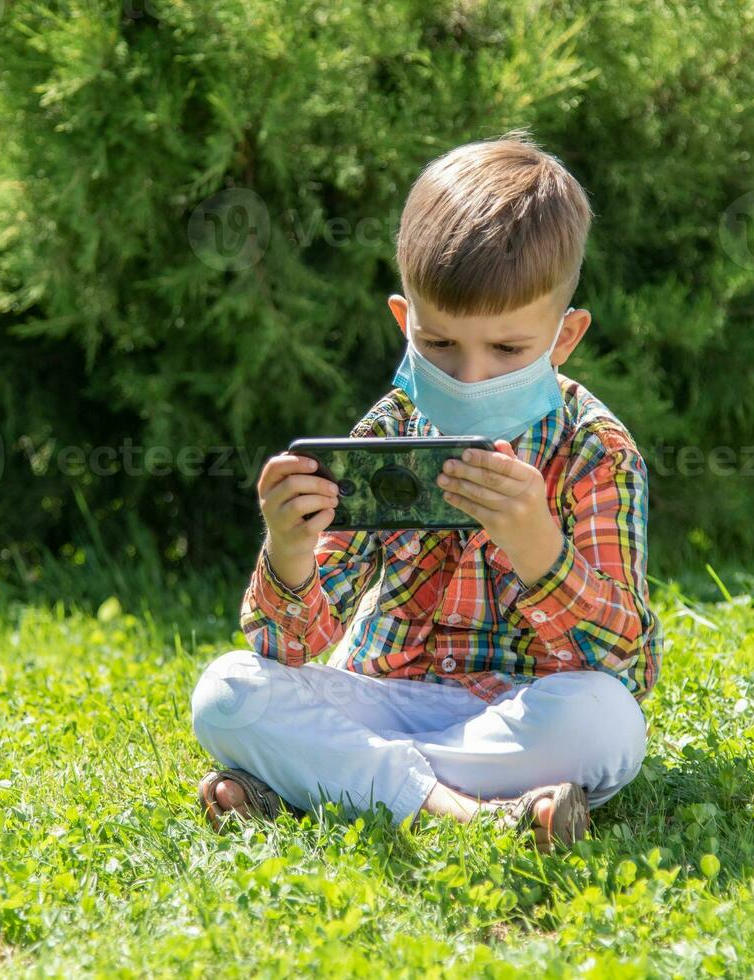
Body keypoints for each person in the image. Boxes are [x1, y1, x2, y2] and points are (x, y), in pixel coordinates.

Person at [190, 129, 660, 852]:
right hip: (388, 698)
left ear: (563, 339)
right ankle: (469, 811)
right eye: (440, 345)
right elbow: (288, 646)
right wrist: (289, 551)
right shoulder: (389, 431)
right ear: (406, 323)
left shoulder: (595, 449)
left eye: (507, 350)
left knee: (607, 722)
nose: (470, 376)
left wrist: (539, 547)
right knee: (227, 692)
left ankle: (324, 782)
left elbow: (619, 652)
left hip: (521, 709)